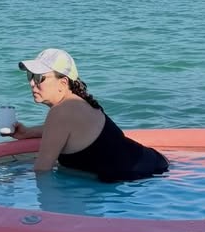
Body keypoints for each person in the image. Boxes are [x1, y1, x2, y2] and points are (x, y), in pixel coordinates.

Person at [10, 48, 169, 183]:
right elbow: (66, 131)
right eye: (30, 76)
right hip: (152, 165)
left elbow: (42, 171)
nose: (32, 83)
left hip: (143, 177)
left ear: (63, 83)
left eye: (39, 78)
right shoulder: (76, 104)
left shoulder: (61, 112)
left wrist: (14, 178)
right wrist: (28, 133)